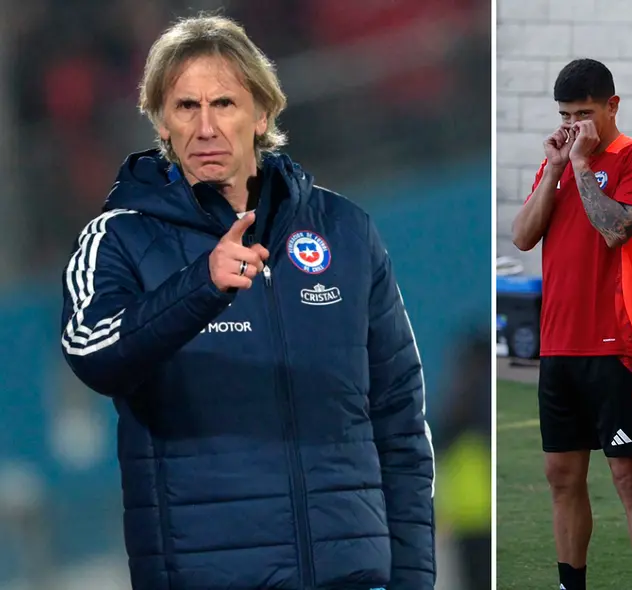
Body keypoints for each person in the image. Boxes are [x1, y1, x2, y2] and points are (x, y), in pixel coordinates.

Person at [59, 15, 435, 590]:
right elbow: (90, 351)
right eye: (186, 106)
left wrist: (412, 578)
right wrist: (199, 287)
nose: (206, 127)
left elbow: (400, 422)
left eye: (225, 104)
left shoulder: (346, 232)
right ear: (161, 120)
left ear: (262, 113)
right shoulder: (119, 238)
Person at [511, 58, 632, 590]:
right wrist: (556, 168)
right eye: (565, 115)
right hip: (559, 344)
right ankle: (570, 582)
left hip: (617, 342)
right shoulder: (557, 163)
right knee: (561, 476)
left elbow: (616, 230)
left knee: (627, 474)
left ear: (612, 107)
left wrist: (579, 167)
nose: (574, 125)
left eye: (584, 113)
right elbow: (522, 236)